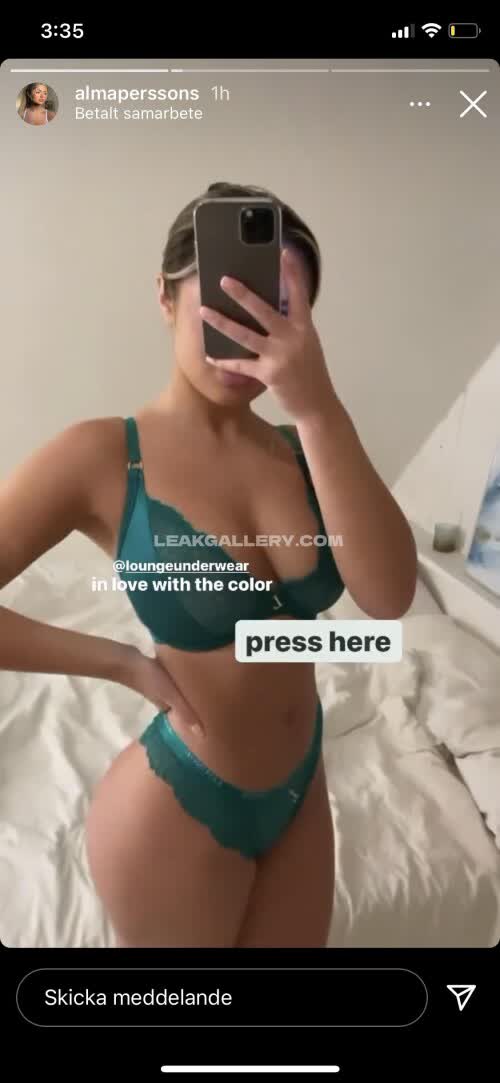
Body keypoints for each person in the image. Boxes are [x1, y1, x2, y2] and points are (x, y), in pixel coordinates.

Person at [0, 181, 417, 947]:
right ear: (164, 296)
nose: (247, 330)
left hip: (301, 789)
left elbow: (388, 597)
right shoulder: (103, 455)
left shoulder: (308, 449)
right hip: (177, 806)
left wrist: (318, 406)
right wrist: (120, 662)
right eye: (228, 299)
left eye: (276, 309)